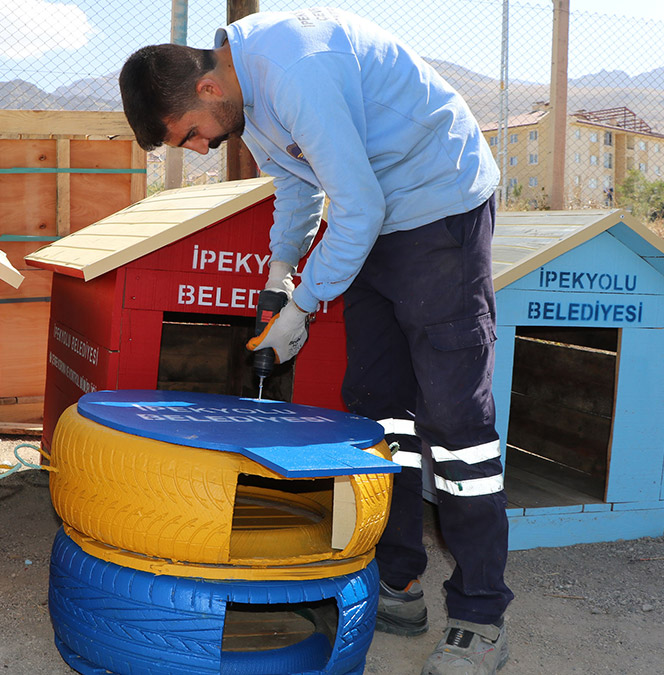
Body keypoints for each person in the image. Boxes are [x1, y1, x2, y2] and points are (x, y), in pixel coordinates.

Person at [118, 7, 511, 675]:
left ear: (207, 90)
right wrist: (278, 278)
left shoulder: (294, 69)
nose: (200, 150)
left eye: (190, 136)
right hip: (377, 214)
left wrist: (302, 308)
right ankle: (398, 580)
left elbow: (356, 206)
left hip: (439, 204)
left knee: (454, 420)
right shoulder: (246, 97)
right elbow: (299, 184)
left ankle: (480, 614)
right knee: (378, 406)